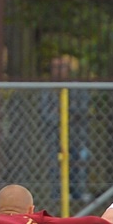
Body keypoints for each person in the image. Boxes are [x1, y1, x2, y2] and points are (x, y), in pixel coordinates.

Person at [42, 54, 91, 204]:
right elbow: (45, 112)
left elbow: (83, 109)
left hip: (76, 134)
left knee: (79, 160)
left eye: (62, 67)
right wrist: (60, 117)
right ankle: (57, 194)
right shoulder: (47, 89)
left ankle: (78, 193)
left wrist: (67, 113)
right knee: (54, 163)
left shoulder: (77, 88)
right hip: (54, 134)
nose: (59, 71)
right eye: (55, 68)